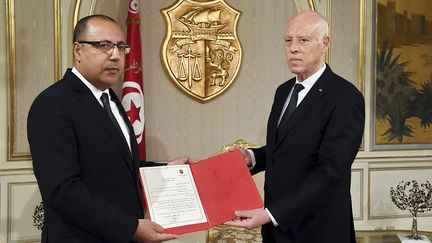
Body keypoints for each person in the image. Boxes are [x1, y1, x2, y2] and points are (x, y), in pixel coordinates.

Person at [27, 14, 189, 243]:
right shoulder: (52, 104)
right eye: (103, 46)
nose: (115, 55)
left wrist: (165, 170)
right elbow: (62, 191)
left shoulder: (110, 99)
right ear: (78, 50)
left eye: (121, 47)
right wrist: (130, 227)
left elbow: (116, 167)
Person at [225, 11, 365, 243]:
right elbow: (285, 150)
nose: (293, 48)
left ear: (325, 44)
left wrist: (271, 214)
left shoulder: (345, 96)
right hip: (277, 230)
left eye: (303, 40)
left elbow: (331, 171)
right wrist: (252, 157)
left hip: (318, 230)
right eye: (288, 41)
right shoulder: (283, 91)